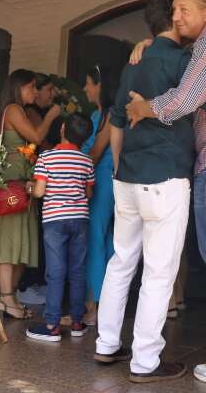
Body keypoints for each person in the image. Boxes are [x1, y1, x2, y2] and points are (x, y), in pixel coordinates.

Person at [94, 0, 206, 384]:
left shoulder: (134, 64)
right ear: (173, 17)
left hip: (127, 178)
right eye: (180, 12)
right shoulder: (187, 61)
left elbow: (117, 120)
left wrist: (119, 167)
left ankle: (105, 345)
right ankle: (145, 361)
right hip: (165, 177)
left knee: (120, 263)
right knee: (158, 272)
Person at [0, 69, 61, 319]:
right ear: (19, 88)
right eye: (31, 87)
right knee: (10, 241)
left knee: (19, 242)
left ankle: (10, 297)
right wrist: (51, 116)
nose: (35, 91)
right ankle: (6, 299)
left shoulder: (16, 111)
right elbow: (36, 138)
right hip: (13, 187)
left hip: (21, 185)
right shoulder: (14, 110)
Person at [25, 113, 95, 341]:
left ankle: (52, 325)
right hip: (80, 219)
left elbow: (39, 191)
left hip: (55, 220)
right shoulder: (86, 160)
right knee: (77, 271)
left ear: (62, 128)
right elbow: (88, 193)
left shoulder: (46, 158)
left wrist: (29, 188)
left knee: (55, 273)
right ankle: (76, 322)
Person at [81, 64, 118, 325]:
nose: (85, 88)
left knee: (96, 241)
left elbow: (95, 153)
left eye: (88, 83)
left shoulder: (110, 115)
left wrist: (69, 165)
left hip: (103, 184)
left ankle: (92, 306)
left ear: (100, 86)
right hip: (105, 183)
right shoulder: (99, 115)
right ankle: (104, 306)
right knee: (106, 243)